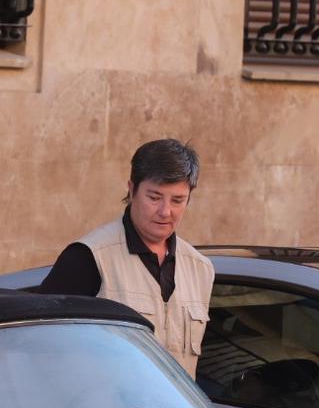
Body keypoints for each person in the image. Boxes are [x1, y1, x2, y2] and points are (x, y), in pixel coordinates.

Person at [37, 138, 214, 375]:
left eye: (177, 200)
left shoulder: (201, 269)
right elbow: (43, 347)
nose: (165, 211)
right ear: (132, 190)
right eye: (154, 197)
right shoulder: (88, 257)